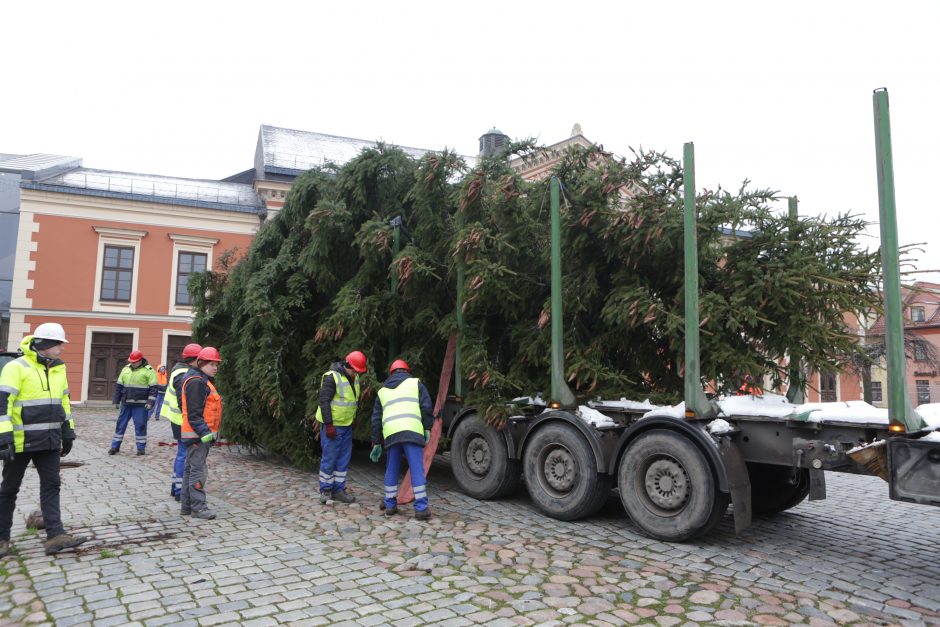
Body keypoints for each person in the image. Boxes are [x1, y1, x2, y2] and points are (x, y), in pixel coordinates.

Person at [0, 323, 88, 556]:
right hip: (19, 441)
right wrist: (3, 437)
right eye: (59, 344)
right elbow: (2, 404)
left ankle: (55, 536)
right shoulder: (15, 367)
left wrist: (67, 430)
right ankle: (1, 538)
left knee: (52, 486)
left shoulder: (59, 368)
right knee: (9, 489)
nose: (62, 348)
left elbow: (64, 403)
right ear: (46, 344)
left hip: (49, 441)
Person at [369, 359, 436, 520]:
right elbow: (426, 407)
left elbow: (376, 419)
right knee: (416, 468)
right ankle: (421, 508)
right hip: (412, 431)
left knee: (391, 468)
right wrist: (427, 427)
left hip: (391, 434)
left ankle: (390, 505)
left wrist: (376, 442)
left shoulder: (382, 391)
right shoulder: (415, 383)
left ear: (391, 373)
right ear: (407, 371)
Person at [314, 350, 367, 504]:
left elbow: (351, 401)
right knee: (329, 459)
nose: (357, 374)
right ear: (348, 365)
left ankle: (338, 489)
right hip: (333, 426)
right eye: (356, 370)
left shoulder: (354, 378)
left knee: (343, 459)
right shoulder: (332, 377)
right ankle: (325, 490)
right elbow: (324, 402)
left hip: (346, 425)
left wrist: (353, 419)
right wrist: (329, 425)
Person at [179, 346, 223, 520]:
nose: (215, 368)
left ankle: (187, 506)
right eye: (212, 364)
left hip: (196, 434)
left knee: (190, 470)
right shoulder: (197, 381)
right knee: (198, 471)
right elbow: (194, 412)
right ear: (201, 363)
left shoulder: (199, 379)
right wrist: (205, 432)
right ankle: (198, 508)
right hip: (198, 435)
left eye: (216, 364)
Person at [159, 344, 202, 500]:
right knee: (184, 454)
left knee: (182, 453)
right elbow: (183, 401)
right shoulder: (183, 374)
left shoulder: (179, 370)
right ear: (195, 359)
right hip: (182, 420)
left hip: (179, 418)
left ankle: (175, 487)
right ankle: (179, 491)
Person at [109, 350, 158, 455]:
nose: (132, 363)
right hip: (126, 404)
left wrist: (150, 402)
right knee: (120, 425)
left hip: (141, 405)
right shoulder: (125, 369)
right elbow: (119, 386)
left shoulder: (149, 371)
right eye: (131, 361)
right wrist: (116, 401)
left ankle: (141, 448)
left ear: (140, 360)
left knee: (140, 425)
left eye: (134, 361)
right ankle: (114, 447)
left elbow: (153, 389)